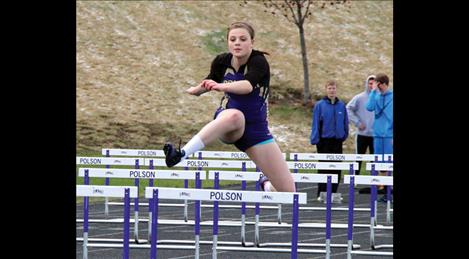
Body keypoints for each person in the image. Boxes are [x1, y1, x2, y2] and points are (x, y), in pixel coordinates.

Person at [163, 21, 295, 193]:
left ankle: (266, 185)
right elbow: (207, 83)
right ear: (228, 42)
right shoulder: (221, 61)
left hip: (256, 130)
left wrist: (222, 86)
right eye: (232, 39)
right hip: (230, 124)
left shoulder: (259, 61)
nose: (237, 43)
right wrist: (194, 90)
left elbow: (247, 86)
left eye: (242, 39)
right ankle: (180, 154)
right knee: (235, 115)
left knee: (289, 192)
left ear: (252, 42)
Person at [310, 80, 349, 203]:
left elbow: (345, 122)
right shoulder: (320, 105)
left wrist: (343, 135)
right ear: (326, 89)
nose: (332, 90)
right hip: (324, 141)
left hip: (337, 141)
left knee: (336, 168)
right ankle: (322, 193)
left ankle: (334, 192)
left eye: (334, 88)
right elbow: (315, 123)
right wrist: (316, 139)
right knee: (324, 167)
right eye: (329, 88)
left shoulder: (341, 106)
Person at [366, 73, 393, 202]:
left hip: (389, 136)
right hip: (377, 135)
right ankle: (383, 189)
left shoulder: (392, 97)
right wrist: (373, 93)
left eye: (377, 84)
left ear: (382, 84)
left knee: (389, 164)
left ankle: (389, 190)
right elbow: (369, 107)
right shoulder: (375, 96)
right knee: (379, 163)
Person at [346, 75, 375, 176]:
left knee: (374, 160)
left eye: (373, 83)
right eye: (370, 83)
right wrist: (357, 122)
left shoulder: (380, 98)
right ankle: (354, 180)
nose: (372, 85)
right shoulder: (359, 97)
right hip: (362, 134)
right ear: (366, 84)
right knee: (358, 158)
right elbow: (348, 109)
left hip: (375, 135)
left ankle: (375, 183)